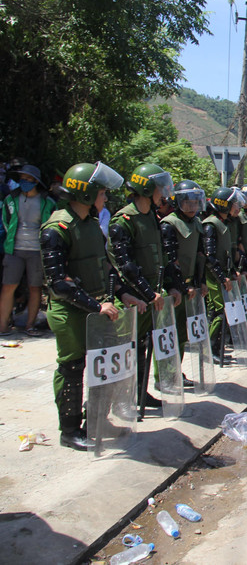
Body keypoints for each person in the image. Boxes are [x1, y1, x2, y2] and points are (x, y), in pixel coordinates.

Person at [40, 162, 146, 451]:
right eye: (101, 193)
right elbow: (58, 282)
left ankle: (96, 418)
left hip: (98, 310)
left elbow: (107, 268)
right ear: (86, 194)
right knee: (73, 369)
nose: (105, 198)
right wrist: (95, 307)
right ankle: (70, 430)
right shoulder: (57, 228)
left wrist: (124, 294)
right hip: (71, 311)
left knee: (109, 368)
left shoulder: (91, 225)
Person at [107, 164, 179, 407]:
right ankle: (119, 399)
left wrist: (172, 286)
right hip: (132, 298)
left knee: (142, 347)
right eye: (160, 188)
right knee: (126, 349)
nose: (164, 193)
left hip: (151, 297)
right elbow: (125, 266)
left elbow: (163, 257)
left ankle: (139, 393)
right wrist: (148, 294)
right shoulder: (124, 220)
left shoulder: (152, 218)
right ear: (147, 189)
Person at [0, 164, 55, 336]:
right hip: (14, 249)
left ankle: (30, 326)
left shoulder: (47, 202)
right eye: (22, 179)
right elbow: (6, 221)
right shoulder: (11, 200)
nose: (24, 182)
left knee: (35, 287)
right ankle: (2, 326)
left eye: (28, 179)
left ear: (36, 181)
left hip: (37, 251)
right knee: (8, 287)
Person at [161, 180, 207, 360]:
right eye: (188, 201)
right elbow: (171, 260)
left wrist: (201, 282)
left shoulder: (196, 223)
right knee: (168, 332)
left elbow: (200, 255)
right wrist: (179, 286)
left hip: (190, 287)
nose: (192, 206)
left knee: (181, 333)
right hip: (173, 286)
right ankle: (166, 374)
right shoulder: (169, 224)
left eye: (196, 202)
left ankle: (177, 371)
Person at [203, 187, 245, 358]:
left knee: (222, 312)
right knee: (219, 312)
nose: (237, 207)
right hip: (214, 275)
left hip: (224, 273)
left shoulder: (224, 224)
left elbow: (227, 253)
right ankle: (211, 348)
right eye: (233, 204)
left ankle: (217, 348)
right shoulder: (211, 225)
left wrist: (233, 272)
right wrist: (222, 278)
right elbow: (209, 257)